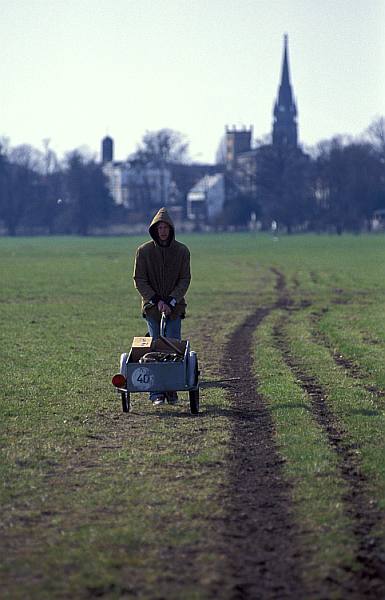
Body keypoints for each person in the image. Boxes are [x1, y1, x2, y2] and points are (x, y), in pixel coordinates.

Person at [133, 207, 191, 406]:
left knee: (173, 346)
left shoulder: (182, 251)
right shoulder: (144, 252)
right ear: (154, 230)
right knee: (155, 346)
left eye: (166, 227)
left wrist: (172, 300)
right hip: (152, 308)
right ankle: (156, 393)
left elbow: (185, 279)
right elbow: (139, 279)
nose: (163, 231)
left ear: (171, 229)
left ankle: (172, 390)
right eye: (160, 228)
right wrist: (156, 300)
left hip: (175, 308)